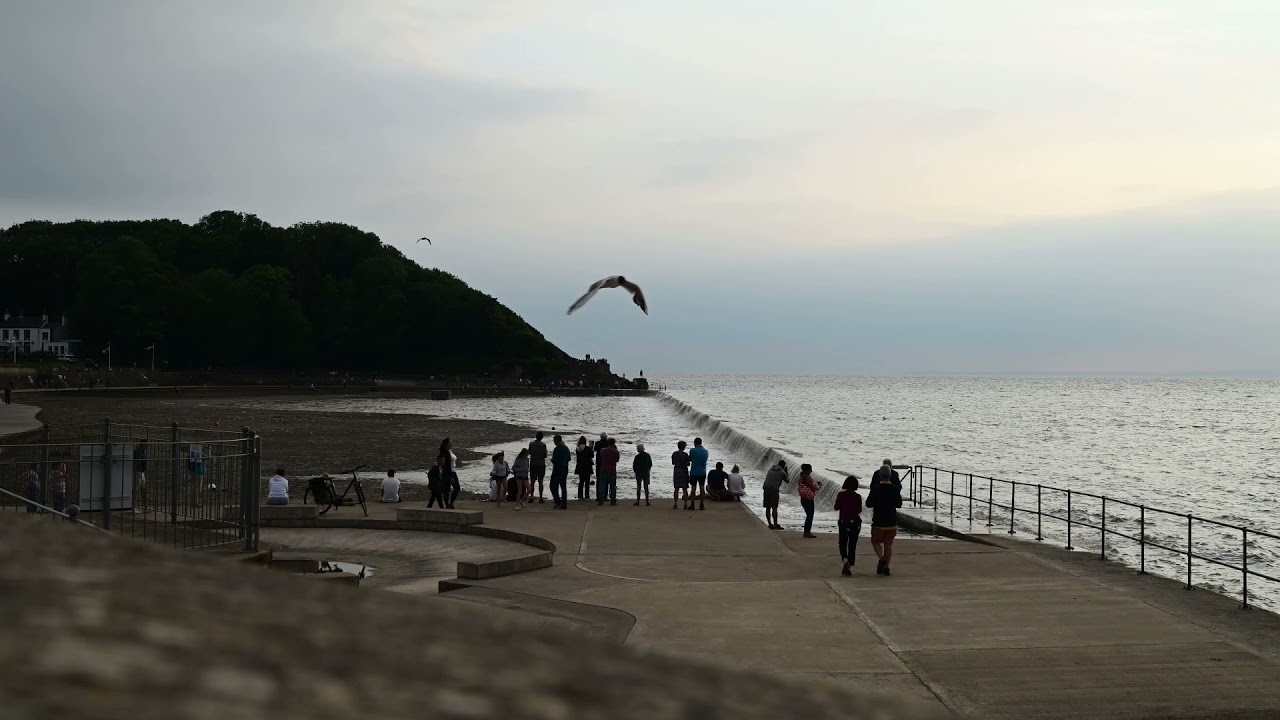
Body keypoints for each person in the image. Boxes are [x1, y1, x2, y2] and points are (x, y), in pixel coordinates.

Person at [867, 462, 903, 576]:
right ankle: (887, 567)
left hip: (878, 521)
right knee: (888, 544)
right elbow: (899, 504)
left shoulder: (876, 489)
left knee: (875, 541)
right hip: (892, 521)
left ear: (880, 475)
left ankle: (882, 558)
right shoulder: (895, 489)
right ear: (890, 475)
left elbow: (868, 504)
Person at [834, 476, 863, 576]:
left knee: (842, 543)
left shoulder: (841, 495)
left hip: (844, 522)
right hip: (855, 522)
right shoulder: (858, 496)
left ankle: (845, 559)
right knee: (852, 545)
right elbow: (859, 510)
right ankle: (849, 566)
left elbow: (836, 507)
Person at [762, 460, 789, 529]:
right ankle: (775, 524)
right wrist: (786, 472)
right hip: (774, 489)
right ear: (783, 466)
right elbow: (787, 481)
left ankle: (770, 524)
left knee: (768, 507)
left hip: (766, 487)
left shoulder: (770, 470)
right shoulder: (782, 472)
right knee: (774, 507)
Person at [798, 463, 821, 538]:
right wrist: (819, 485)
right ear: (807, 470)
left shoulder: (801, 477)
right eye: (810, 469)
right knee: (810, 515)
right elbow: (814, 487)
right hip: (809, 499)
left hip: (803, 498)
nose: (811, 470)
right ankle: (807, 532)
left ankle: (806, 531)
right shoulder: (808, 478)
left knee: (808, 515)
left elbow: (800, 484)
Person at [438, 438, 461, 509]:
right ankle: (448, 504)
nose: (451, 443)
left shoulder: (450, 451)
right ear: (446, 444)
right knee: (447, 489)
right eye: (450, 442)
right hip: (448, 472)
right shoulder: (445, 452)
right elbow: (445, 464)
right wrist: (449, 475)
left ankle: (450, 503)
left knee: (456, 488)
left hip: (453, 471)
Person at [596, 438, 620, 506]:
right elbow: (617, 460)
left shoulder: (602, 450)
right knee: (613, 486)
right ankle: (613, 500)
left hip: (603, 469)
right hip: (612, 469)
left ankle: (601, 500)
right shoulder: (616, 452)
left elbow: (601, 457)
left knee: (602, 486)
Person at [550, 434, 571, 509]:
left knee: (553, 486)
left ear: (556, 441)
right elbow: (569, 458)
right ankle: (564, 503)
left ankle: (558, 500)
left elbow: (554, 460)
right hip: (565, 468)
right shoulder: (566, 448)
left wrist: (552, 460)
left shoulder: (556, 449)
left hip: (557, 469)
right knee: (563, 486)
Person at [688, 438, 709, 510]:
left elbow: (690, 459)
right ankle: (701, 504)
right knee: (702, 488)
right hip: (702, 472)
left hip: (694, 471)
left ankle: (692, 504)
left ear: (695, 443)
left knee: (693, 488)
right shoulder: (706, 451)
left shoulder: (692, 450)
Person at [671, 440, 691, 510]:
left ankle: (675, 504)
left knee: (676, 488)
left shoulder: (674, 454)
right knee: (685, 489)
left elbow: (673, 463)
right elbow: (688, 464)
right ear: (684, 447)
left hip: (677, 471)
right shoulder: (685, 455)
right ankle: (685, 504)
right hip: (684, 472)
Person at [529, 431, 548, 504]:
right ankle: (540, 497)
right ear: (542, 437)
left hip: (533, 463)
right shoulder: (543, 445)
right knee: (540, 481)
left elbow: (529, 452)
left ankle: (531, 496)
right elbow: (545, 455)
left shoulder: (531, 444)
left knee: (532, 481)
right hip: (541, 464)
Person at [575, 436, 593, 501]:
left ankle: (580, 496)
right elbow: (592, 455)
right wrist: (591, 448)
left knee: (581, 481)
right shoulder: (587, 448)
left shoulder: (578, 449)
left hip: (580, 466)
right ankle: (587, 496)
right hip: (587, 466)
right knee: (587, 482)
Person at [133, 441, 148, 511]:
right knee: (136, 489)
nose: (147, 446)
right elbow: (137, 462)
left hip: (141, 472)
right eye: (146, 444)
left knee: (143, 489)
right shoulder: (138, 452)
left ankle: (144, 506)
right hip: (137, 472)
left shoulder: (142, 452)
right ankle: (133, 506)